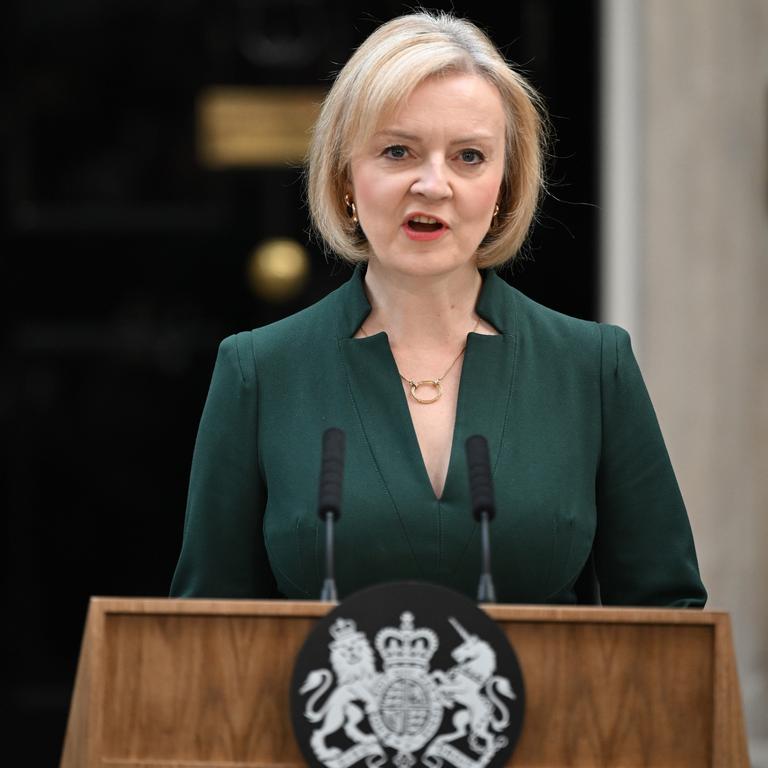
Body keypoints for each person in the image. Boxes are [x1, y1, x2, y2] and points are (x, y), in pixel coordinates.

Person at [170, 10, 706, 607]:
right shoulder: (259, 371)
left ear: (505, 183)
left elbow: (668, 619)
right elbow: (206, 632)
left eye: (469, 157)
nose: (433, 184)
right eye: (398, 151)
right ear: (347, 175)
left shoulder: (592, 367)